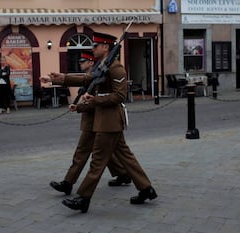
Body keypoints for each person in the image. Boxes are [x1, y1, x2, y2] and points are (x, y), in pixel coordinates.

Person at [45, 32, 157, 213]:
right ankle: (146, 189)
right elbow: (86, 79)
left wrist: (94, 100)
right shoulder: (102, 66)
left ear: (105, 47)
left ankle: (83, 198)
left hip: (110, 121)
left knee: (97, 161)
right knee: (126, 157)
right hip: (105, 121)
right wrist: (59, 78)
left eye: (95, 46)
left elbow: (120, 96)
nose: (92, 49)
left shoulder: (116, 68)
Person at [46, 51, 131, 196]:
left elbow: (104, 95)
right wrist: (55, 80)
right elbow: (82, 81)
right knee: (112, 151)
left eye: (83, 61)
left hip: (98, 117)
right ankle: (125, 175)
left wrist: (81, 106)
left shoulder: (103, 72)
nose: (80, 63)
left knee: (87, 152)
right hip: (97, 117)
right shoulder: (98, 71)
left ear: (91, 62)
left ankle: (70, 184)